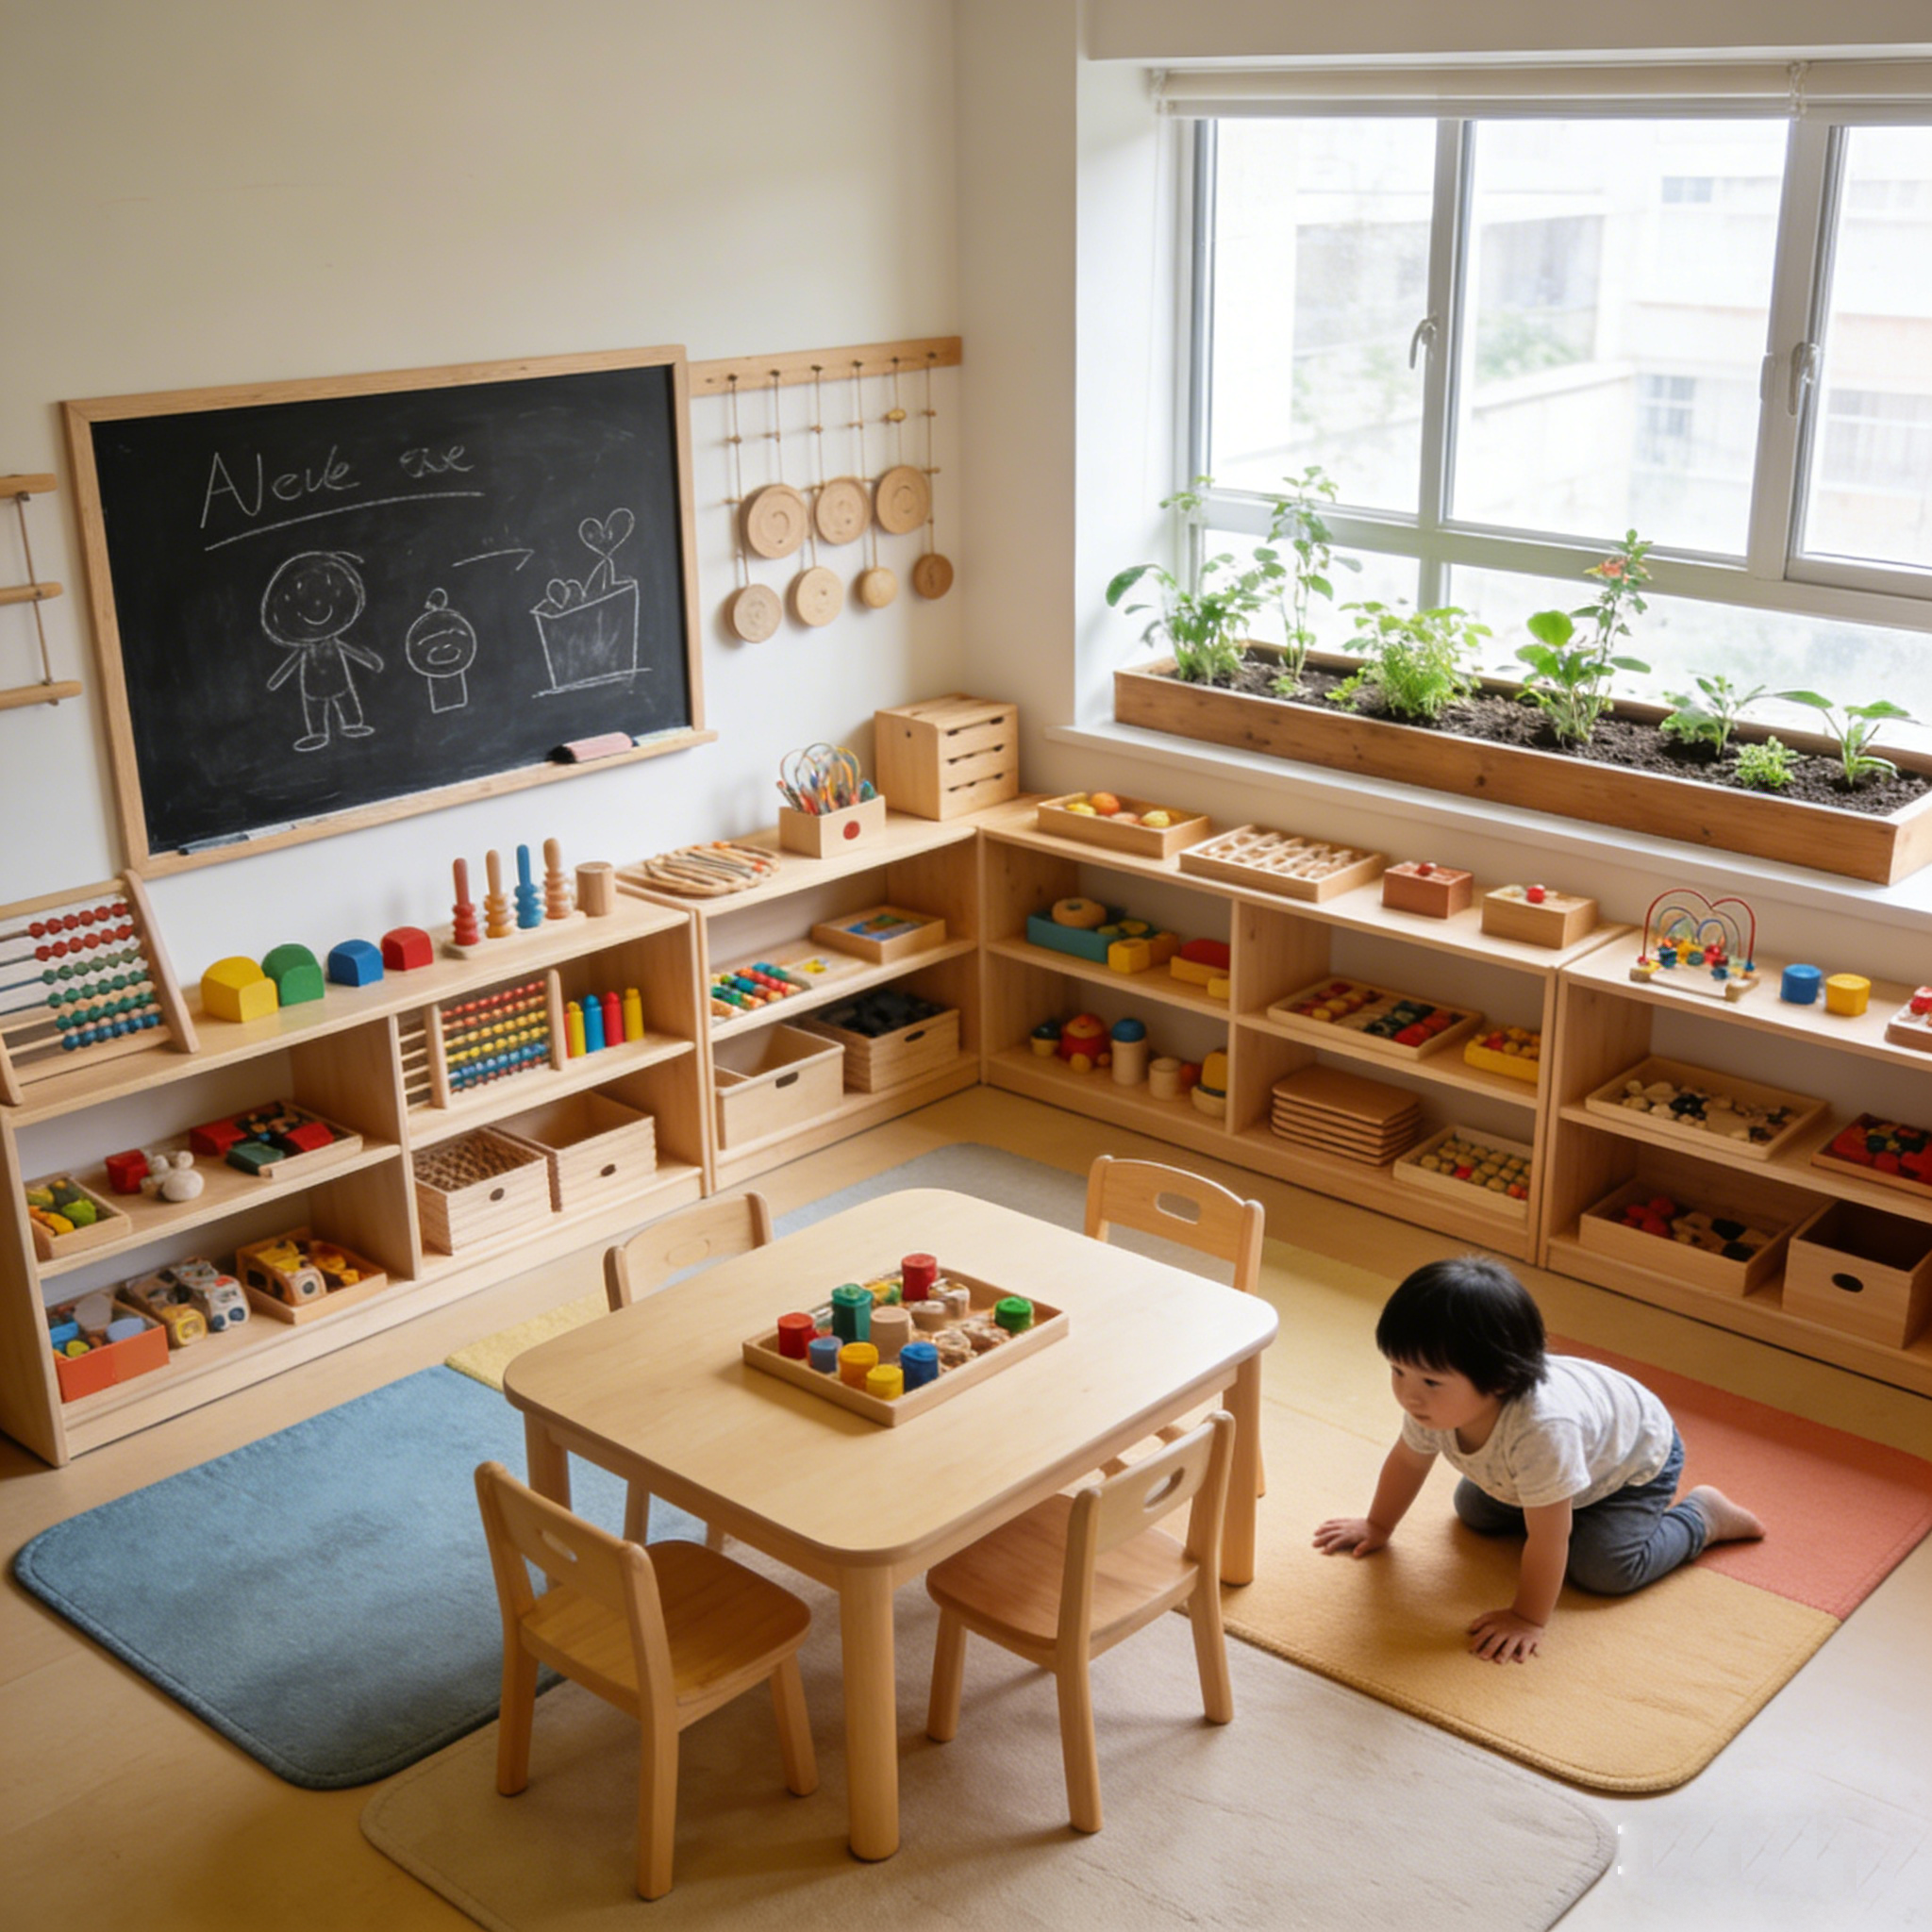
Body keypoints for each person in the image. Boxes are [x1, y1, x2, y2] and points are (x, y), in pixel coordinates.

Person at [1312, 1256, 1764, 1663]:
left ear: (1501, 1381)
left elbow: (1550, 1539)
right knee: (1473, 1511)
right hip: (1561, 1458)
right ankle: (1549, 1497)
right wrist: (1378, 1526)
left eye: (1430, 1381)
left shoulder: (1543, 1432)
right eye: (1397, 1370)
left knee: (1603, 1569)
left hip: (1630, 1464)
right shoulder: (1430, 1406)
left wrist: (1527, 1617)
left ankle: (1703, 1517)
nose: (1407, 1393)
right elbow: (1408, 1462)